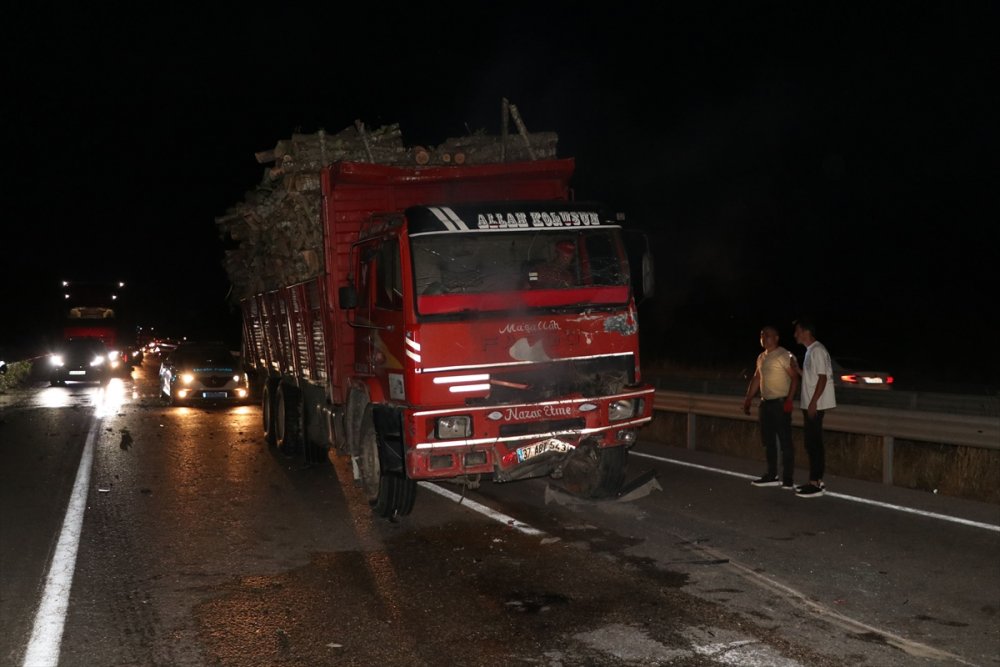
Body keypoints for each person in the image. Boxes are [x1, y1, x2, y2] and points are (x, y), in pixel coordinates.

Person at [743, 326, 799, 489]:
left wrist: (789, 400)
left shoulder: (783, 355)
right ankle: (771, 474)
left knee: (785, 441)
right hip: (765, 403)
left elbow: (794, 378)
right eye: (762, 335)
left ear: (776, 338)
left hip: (780, 404)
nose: (764, 338)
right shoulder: (761, 357)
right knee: (768, 441)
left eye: (768, 335)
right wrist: (748, 399)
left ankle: (788, 478)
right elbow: (756, 378)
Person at [793, 318, 836, 498]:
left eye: (798, 331)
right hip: (811, 404)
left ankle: (816, 483)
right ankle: (814, 480)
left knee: (814, 443)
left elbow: (822, 378)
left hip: (814, 405)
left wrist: (813, 403)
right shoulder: (811, 351)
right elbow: (812, 377)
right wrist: (797, 370)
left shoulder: (817, 350)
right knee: (811, 443)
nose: (795, 334)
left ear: (806, 332)